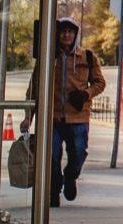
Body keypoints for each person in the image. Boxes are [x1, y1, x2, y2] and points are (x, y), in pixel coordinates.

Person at [22, 18, 105, 207]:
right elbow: (34, 88)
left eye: (70, 32)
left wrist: (86, 94)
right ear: (57, 34)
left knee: (78, 153)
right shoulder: (48, 57)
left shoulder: (87, 57)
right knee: (51, 157)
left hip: (78, 117)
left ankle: (70, 177)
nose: (66, 35)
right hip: (52, 117)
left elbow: (100, 83)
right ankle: (54, 190)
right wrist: (28, 117)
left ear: (76, 34)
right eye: (63, 32)